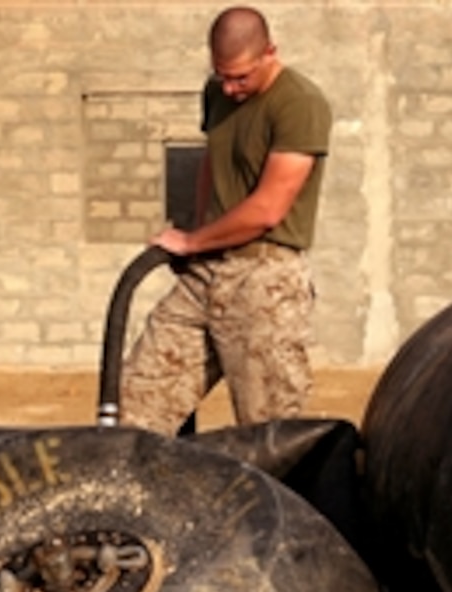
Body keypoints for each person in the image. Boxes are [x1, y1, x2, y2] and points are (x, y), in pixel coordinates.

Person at [119, 5, 333, 436]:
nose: (232, 88)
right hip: (206, 274)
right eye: (223, 75)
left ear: (270, 52)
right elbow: (211, 165)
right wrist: (198, 237)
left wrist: (192, 240)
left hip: (264, 280)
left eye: (242, 77)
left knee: (267, 433)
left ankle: (274, 504)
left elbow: (267, 209)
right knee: (136, 408)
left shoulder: (301, 104)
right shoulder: (216, 93)